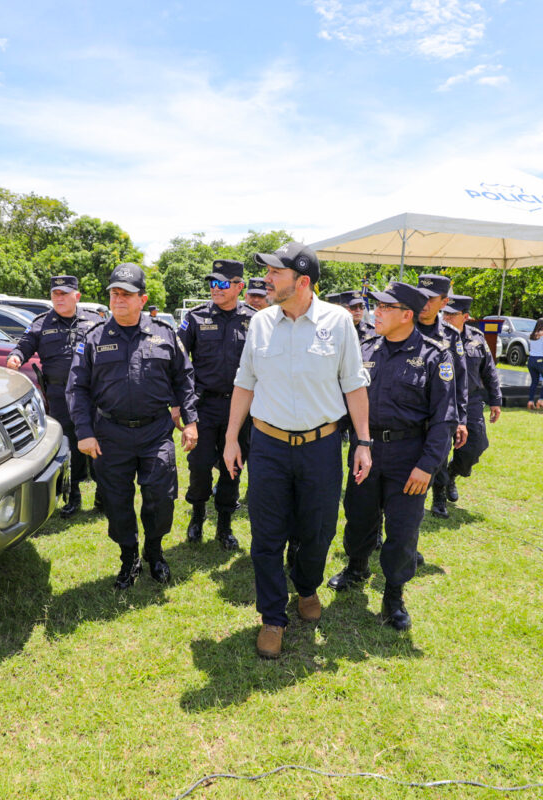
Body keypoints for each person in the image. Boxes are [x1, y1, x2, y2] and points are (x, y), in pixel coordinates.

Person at [222, 242, 371, 659]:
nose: (266, 280)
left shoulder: (339, 322)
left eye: (275, 273)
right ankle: (272, 617)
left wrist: (363, 441)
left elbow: (354, 384)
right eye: (267, 272)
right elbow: (245, 381)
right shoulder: (260, 324)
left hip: (321, 446)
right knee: (266, 535)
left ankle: (306, 588)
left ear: (302, 281)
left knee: (318, 531)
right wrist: (233, 437)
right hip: (268, 445)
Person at [325, 282, 456, 630]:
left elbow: (444, 418)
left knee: (402, 528)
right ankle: (356, 567)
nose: (376, 312)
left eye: (385, 307)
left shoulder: (434, 355)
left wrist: (427, 467)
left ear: (406, 315)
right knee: (358, 515)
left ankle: (393, 594)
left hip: (408, 455)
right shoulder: (364, 348)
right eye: (376, 306)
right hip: (365, 450)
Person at [66, 263, 199, 589]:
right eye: (114, 293)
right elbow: (77, 388)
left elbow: (184, 379)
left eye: (127, 294)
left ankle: (155, 552)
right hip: (110, 434)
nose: (119, 299)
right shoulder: (94, 338)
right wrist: (84, 432)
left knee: (161, 497)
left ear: (143, 299)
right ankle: (129, 557)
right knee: (116, 500)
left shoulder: (164, 334)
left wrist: (191, 420)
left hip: (156, 432)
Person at [177, 259, 255, 550]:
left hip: (240, 408)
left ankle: (224, 524)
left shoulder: (254, 320)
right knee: (198, 465)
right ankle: (197, 516)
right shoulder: (196, 318)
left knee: (231, 467)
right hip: (204, 406)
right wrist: (180, 407)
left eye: (222, 284)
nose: (215, 289)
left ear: (239, 287)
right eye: (212, 283)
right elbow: (178, 363)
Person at [7, 275, 98, 518]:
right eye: (55, 294)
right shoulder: (40, 323)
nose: (58, 298)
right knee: (68, 445)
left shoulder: (94, 321)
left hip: (92, 394)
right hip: (59, 395)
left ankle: (104, 495)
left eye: (64, 294)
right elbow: (23, 345)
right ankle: (73, 494)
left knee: (99, 442)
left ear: (76, 296)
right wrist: (16, 357)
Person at [414, 274, 467, 520]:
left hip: (438, 415)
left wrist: (461, 419)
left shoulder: (450, 335)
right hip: (406, 414)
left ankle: (438, 498)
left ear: (444, 302)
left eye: (430, 298)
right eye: (420, 296)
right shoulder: (401, 325)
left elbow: (460, 380)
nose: (423, 303)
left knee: (439, 460)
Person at [442, 296, 502, 504]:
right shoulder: (436, 337)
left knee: (476, 444)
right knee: (439, 448)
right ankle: (438, 497)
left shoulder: (476, 338)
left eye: (452, 314)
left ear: (465, 317)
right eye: (445, 313)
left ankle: (452, 473)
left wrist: (495, 399)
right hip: (443, 399)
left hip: (471, 400)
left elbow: (489, 370)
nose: (446, 317)